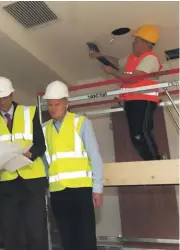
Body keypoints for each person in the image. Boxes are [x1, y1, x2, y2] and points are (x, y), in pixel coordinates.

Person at [0, 76, 49, 250]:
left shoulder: (30, 112)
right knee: (12, 233)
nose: (2, 102)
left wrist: (30, 154)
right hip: (8, 185)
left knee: (36, 232)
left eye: (4, 97)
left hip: (32, 181)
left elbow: (41, 145)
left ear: (12, 95)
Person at [42, 80, 104, 250]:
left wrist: (97, 188)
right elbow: (46, 162)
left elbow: (94, 156)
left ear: (66, 103)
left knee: (85, 239)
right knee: (67, 239)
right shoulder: (44, 129)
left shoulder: (81, 122)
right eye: (50, 104)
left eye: (57, 104)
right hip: (58, 192)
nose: (53, 108)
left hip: (81, 190)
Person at [89, 24, 162, 161]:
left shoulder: (150, 58)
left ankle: (155, 161)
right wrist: (99, 55)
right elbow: (116, 62)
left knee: (140, 133)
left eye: (136, 40)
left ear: (146, 43)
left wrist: (112, 72)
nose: (133, 43)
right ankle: (151, 161)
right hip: (132, 101)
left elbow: (133, 79)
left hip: (144, 100)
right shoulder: (132, 58)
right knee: (136, 135)